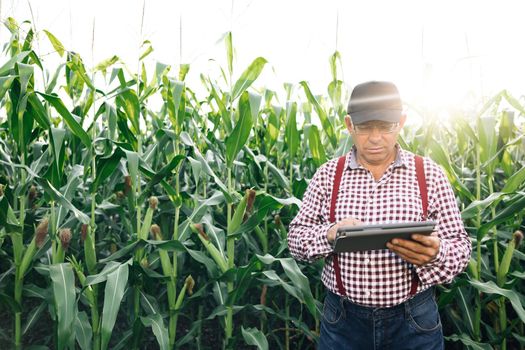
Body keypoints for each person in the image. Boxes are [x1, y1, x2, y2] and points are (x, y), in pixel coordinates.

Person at [287, 81, 472, 349]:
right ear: (349, 125)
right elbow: (296, 239)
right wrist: (329, 234)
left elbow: (461, 247)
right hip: (343, 322)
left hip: (413, 322)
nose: (375, 137)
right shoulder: (328, 176)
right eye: (364, 127)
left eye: (385, 127)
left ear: (401, 123)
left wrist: (435, 253)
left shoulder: (428, 174)